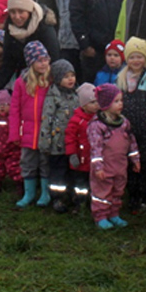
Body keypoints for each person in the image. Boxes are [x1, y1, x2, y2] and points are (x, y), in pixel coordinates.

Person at [0, 0, 61, 96]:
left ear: (29, 11)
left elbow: (54, 59)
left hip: (45, 82)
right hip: (23, 82)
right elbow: (8, 63)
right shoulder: (10, 27)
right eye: (13, 12)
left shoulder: (44, 27)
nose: (17, 17)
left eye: (21, 12)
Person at [116, 37, 146, 214]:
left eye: (140, 57)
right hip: (126, 128)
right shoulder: (121, 79)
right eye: (132, 57)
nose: (136, 61)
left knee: (145, 161)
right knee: (127, 160)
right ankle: (131, 192)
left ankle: (145, 193)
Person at [87, 83, 140, 230]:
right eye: (116, 101)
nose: (120, 104)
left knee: (118, 190)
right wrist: (98, 167)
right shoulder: (97, 126)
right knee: (102, 191)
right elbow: (95, 148)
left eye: (121, 100)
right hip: (104, 167)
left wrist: (135, 159)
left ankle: (114, 213)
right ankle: (101, 216)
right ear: (105, 104)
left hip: (120, 166)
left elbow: (131, 142)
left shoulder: (124, 123)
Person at [10, 41, 53, 208]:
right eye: (39, 60)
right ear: (31, 62)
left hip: (45, 133)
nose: (43, 63)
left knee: (45, 164)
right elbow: (14, 109)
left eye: (45, 59)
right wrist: (14, 133)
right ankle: (29, 193)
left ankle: (45, 193)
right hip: (27, 133)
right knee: (27, 163)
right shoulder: (21, 82)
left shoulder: (51, 80)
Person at [40, 59, 80, 213]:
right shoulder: (53, 96)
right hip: (56, 144)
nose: (70, 79)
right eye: (66, 76)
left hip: (72, 144)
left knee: (72, 172)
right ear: (57, 79)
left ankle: (73, 197)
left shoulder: (76, 95)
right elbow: (47, 120)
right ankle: (57, 198)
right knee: (57, 173)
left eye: (72, 75)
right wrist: (44, 142)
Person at [65, 83, 98, 211]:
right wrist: (72, 154)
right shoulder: (76, 120)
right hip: (80, 160)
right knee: (80, 184)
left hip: (95, 160)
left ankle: (93, 202)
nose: (96, 105)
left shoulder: (99, 118)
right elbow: (70, 138)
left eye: (97, 101)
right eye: (92, 102)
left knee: (94, 183)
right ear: (84, 105)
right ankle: (79, 202)